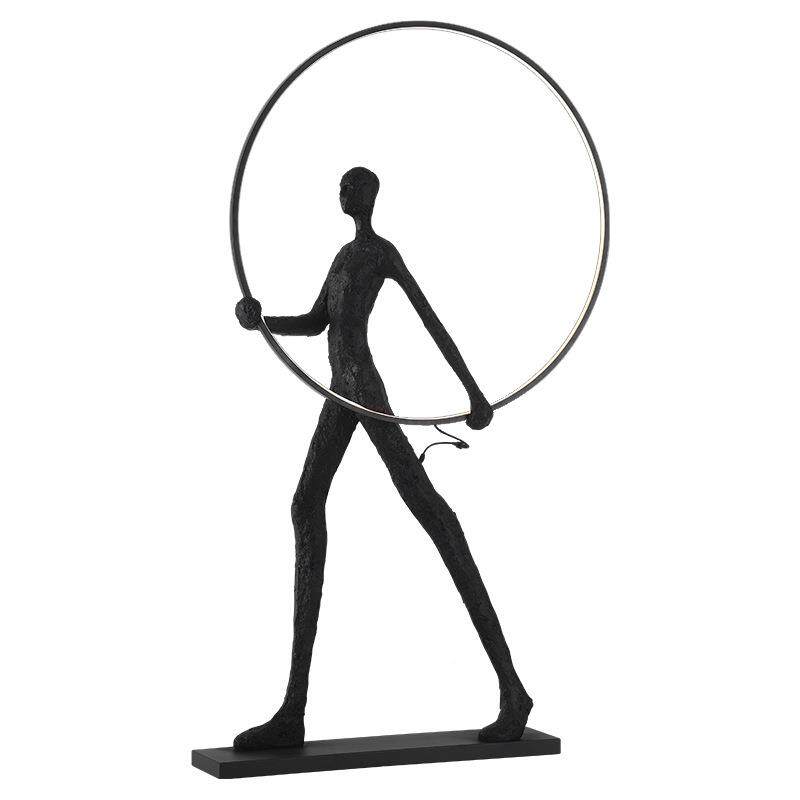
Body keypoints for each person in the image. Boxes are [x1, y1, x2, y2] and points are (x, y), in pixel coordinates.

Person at [233, 167, 531, 749]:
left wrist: (473, 393)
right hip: (342, 392)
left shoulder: (379, 254)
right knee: (307, 505)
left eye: (351, 186)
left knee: (430, 512)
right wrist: (261, 320)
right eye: (341, 186)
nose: (342, 193)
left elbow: (429, 318)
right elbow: (316, 323)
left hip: (363, 391)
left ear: (368, 196)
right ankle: (293, 712)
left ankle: (512, 691)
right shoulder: (343, 257)